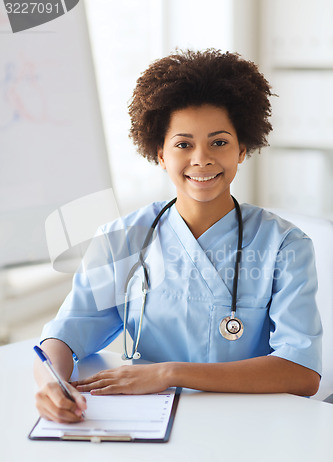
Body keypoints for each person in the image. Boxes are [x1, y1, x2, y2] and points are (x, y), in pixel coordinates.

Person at [34, 49, 322, 423]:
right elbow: (66, 334)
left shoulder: (284, 246)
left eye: (219, 142)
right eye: (183, 144)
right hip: (145, 422)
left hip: (252, 425)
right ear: (160, 153)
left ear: (243, 149)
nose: (201, 159)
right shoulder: (122, 238)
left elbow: (301, 373)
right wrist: (50, 382)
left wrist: (169, 373)